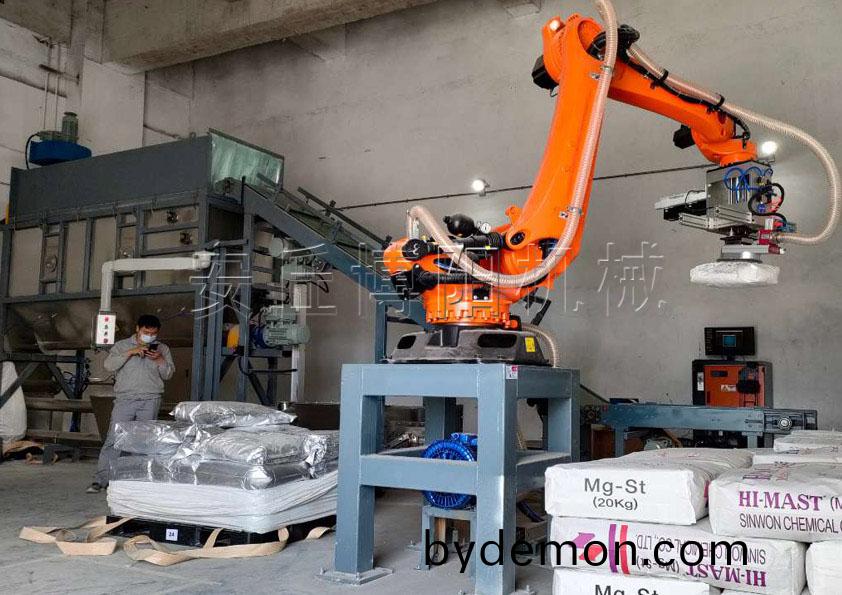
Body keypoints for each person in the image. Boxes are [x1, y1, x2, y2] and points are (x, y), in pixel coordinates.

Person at [87, 314, 174, 493]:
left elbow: (168, 374)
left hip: (150, 399)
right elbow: (109, 366)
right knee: (114, 439)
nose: (149, 336)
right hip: (125, 400)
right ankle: (101, 480)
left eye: (153, 333)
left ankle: (136, 481)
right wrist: (130, 352)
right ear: (137, 329)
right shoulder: (121, 346)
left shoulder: (162, 349)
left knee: (143, 441)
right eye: (146, 332)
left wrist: (159, 360)